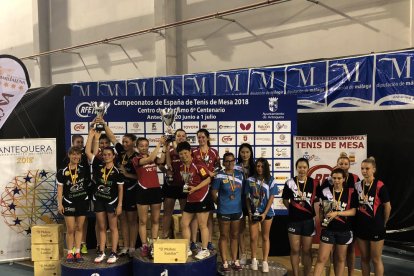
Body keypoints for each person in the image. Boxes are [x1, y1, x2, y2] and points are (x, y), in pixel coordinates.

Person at [85, 129, 124, 264]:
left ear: (113, 156)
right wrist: (91, 136)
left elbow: (120, 189)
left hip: (112, 201)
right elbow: (87, 152)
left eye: (109, 154)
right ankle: (102, 251)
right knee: (101, 227)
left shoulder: (118, 171)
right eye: (105, 154)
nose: (107, 156)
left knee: (113, 228)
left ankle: (113, 252)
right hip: (99, 200)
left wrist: (119, 205)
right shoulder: (98, 164)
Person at [103, 122, 139, 258]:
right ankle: (125, 246)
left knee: (132, 220)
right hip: (119, 191)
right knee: (122, 219)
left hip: (132, 190)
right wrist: (103, 123)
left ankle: (132, 247)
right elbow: (112, 137)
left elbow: (140, 176)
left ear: (133, 143)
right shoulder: (121, 153)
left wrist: (126, 174)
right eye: (123, 141)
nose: (124, 143)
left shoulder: (137, 157)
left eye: (127, 141)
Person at [313, 168, 358, 276]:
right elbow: (321, 208)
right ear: (331, 178)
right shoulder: (326, 191)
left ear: (344, 179)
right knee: (321, 259)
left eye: (339, 178)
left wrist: (337, 213)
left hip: (344, 230)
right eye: (334, 178)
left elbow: (353, 211)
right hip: (328, 230)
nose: (336, 181)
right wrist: (322, 219)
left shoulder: (351, 192)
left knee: (340, 259)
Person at [354, 157, 391, 276]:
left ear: (374, 169)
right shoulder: (358, 185)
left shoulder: (380, 186)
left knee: (376, 259)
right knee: (364, 259)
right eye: (362, 168)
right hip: (361, 228)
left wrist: (383, 223)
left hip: (376, 228)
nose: (364, 171)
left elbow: (388, 207)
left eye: (367, 168)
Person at [282, 158, 319, 276]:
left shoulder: (314, 183)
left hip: (308, 221)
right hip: (293, 221)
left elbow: (318, 201)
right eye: (300, 167)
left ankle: (307, 274)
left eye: (304, 167)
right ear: (296, 168)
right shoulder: (290, 182)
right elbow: (285, 200)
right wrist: (293, 210)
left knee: (307, 251)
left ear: (308, 168)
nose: (302, 169)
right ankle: (296, 274)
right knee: (295, 250)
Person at [178, 141, 213, 260]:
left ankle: (204, 250)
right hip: (191, 198)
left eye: (185, 153)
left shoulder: (198, 164)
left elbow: (208, 180)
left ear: (190, 152)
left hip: (202, 197)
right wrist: (188, 188)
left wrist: (195, 188)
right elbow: (187, 182)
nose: (183, 156)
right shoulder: (182, 167)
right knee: (184, 223)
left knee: (202, 225)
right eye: (181, 154)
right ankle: (187, 248)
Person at [132, 136, 166, 257]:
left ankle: (154, 244)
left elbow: (161, 161)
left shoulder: (153, 156)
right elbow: (151, 158)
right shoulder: (136, 159)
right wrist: (159, 144)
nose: (144, 148)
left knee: (156, 220)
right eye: (141, 146)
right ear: (137, 147)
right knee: (143, 221)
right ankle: (144, 245)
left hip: (155, 190)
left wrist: (165, 147)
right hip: (143, 191)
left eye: (146, 145)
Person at [57, 146, 91, 262]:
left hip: (82, 201)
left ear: (80, 156)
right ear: (69, 155)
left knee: (79, 227)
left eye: (78, 154)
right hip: (68, 202)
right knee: (70, 229)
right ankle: (70, 253)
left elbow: (88, 184)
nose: (76, 157)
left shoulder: (84, 169)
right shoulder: (62, 171)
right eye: (73, 154)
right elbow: (60, 189)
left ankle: (77, 252)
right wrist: (60, 204)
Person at [212, 152, 244, 272]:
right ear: (223, 163)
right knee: (224, 236)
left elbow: (242, 192)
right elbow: (213, 193)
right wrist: (220, 203)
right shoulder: (219, 176)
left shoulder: (240, 175)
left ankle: (235, 260)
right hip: (224, 210)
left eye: (232, 161)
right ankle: (225, 262)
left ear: (234, 161)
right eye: (227, 161)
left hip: (237, 210)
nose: (230, 163)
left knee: (235, 236)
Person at [245, 158, 277, 273]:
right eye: (258, 166)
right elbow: (247, 198)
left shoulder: (271, 180)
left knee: (265, 237)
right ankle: (253, 259)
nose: (259, 168)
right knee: (253, 237)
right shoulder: (250, 180)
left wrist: (264, 213)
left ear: (266, 167)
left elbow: (271, 198)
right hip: (253, 212)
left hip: (267, 213)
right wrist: (249, 211)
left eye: (262, 166)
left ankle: (264, 261)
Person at [191, 128, 220, 251]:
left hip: (211, 186)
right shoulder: (194, 152)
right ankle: (193, 241)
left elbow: (218, 167)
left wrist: (212, 173)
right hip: (198, 186)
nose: (201, 139)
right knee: (195, 216)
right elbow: (191, 166)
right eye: (199, 137)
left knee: (208, 216)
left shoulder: (213, 152)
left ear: (207, 138)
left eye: (203, 137)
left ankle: (208, 242)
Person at [162, 129, 188, 239]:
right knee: (167, 212)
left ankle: (186, 238)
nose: (181, 137)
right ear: (175, 137)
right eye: (178, 136)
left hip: (184, 184)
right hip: (171, 184)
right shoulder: (169, 148)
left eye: (183, 136)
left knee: (185, 213)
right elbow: (161, 164)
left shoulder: (188, 150)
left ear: (186, 138)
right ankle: (164, 237)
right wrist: (165, 170)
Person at [235, 143, 255, 265]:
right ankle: (242, 254)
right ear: (239, 153)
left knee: (253, 232)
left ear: (251, 153)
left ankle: (253, 256)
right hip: (239, 201)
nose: (245, 154)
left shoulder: (255, 166)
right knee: (241, 230)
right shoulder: (236, 167)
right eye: (242, 152)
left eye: (247, 152)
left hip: (253, 201)